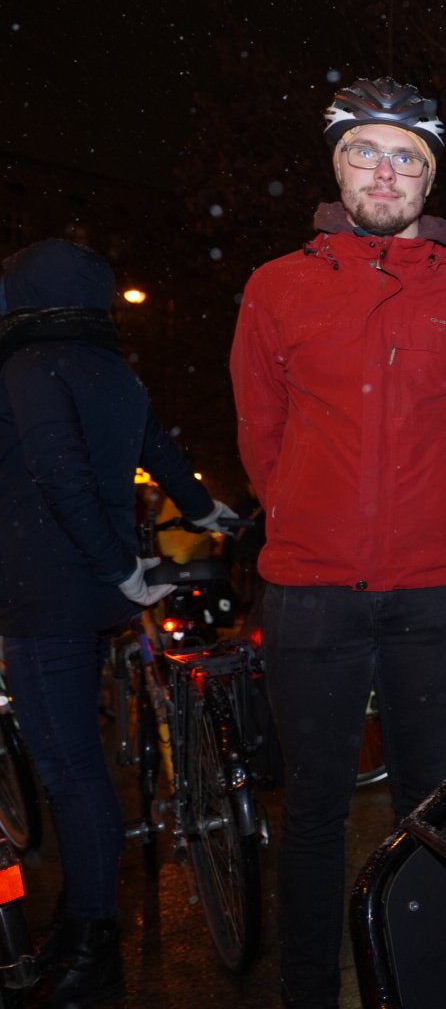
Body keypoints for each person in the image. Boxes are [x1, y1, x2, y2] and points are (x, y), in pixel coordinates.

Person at [229, 77, 446, 1008]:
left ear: (428, 180)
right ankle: (308, 990)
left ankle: (429, 986)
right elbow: (260, 432)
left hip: (432, 592)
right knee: (314, 805)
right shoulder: (276, 287)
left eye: (406, 158)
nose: (385, 173)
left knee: (429, 805)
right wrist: (305, 514)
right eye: (365, 152)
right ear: (337, 168)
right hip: (311, 591)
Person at [0, 238, 233, 1008]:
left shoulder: (29, 365)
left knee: (70, 775)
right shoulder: (110, 368)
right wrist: (202, 509)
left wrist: (118, 567)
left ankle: (92, 954)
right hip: (80, 593)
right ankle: (77, 929)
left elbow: (56, 471)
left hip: (45, 595)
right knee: (79, 773)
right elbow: (156, 446)